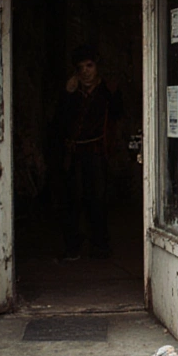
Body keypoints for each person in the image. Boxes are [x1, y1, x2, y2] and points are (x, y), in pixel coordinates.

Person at [58, 46, 122, 262]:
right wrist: (67, 95)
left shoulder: (108, 90)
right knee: (72, 200)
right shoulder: (72, 92)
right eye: (81, 68)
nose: (85, 71)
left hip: (96, 152)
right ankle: (73, 246)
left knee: (97, 199)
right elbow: (61, 121)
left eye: (89, 66)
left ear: (97, 67)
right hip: (75, 152)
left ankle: (100, 246)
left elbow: (118, 115)